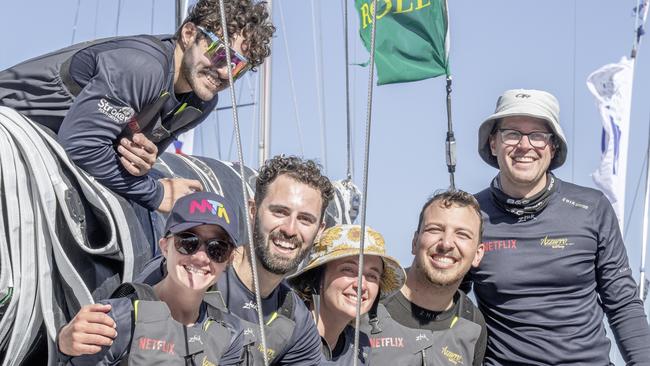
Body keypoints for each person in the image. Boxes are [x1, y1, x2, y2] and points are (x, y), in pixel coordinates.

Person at [0, 0, 274, 212]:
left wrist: (142, 164)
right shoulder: (142, 67)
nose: (226, 72)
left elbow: (124, 160)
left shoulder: (201, 103)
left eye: (238, 66)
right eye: (221, 53)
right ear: (189, 34)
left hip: (34, 157)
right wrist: (156, 193)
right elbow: (81, 146)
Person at [469, 88, 650, 365]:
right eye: (512, 133)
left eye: (538, 135)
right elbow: (441, 296)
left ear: (553, 147)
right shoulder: (468, 215)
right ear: (493, 143)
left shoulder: (592, 207)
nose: (525, 145)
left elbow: (622, 303)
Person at [137, 155, 335, 365]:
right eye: (279, 212)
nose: (290, 229)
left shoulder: (295, 319)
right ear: (252, 211)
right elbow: (124, 329)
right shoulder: (188, 269)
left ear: (320, 231)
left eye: (305, 219)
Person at [56, 191, 247, 365]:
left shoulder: (230, 333)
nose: (200, 257)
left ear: (229, 259)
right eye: (188, 242)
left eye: (217, 248)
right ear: (165, 247)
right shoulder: (119, 320)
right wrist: (63, 344)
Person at [359, 190, 487, 366]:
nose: (446, 243)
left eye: (462, 234)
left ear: (477, 254)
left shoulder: (472, 322)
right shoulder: (367, 298)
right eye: (435, 229)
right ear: (414, 242)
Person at [287, 224, 406, 365]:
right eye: (348, 270)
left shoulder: (361, 348)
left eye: (372, 276)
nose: (361, 285)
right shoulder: (286, 330)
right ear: (316, 277)